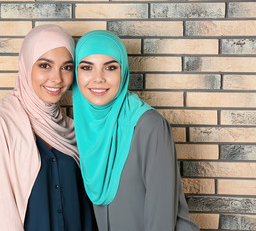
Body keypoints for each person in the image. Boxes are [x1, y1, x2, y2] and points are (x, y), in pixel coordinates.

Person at [0, 25, 97, 231]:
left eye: (67, 67)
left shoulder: (71, 129)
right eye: (45, 65)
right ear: (26, 65)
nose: (57, 78)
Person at [72, 30, 200, 231]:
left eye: (110, 68)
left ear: (122, 72)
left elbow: (161, 222)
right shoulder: (81, 127)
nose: (98, 78)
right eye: (87, 67)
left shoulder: (150, 127)